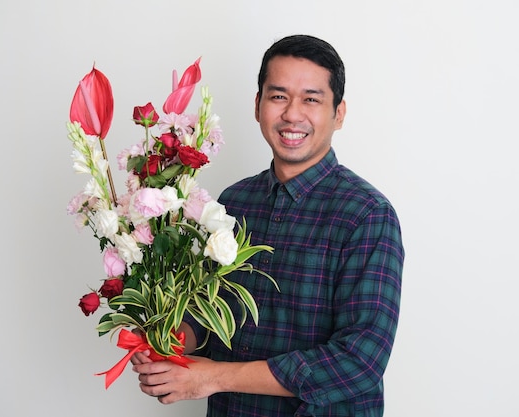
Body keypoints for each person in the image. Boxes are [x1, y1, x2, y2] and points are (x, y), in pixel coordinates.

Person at [131, 34, 404, 417]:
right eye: (278, 96)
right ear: (258, 106)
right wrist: (172, 340)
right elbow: (211, 313)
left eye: (311, 99)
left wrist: (215, 378)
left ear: (338, 113)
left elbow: (359, 360)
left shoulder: (367, 214)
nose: (292, 114)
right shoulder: (233, 202)